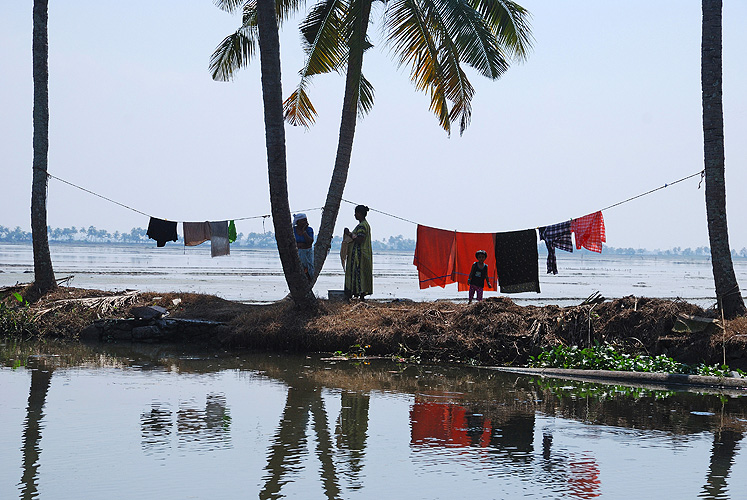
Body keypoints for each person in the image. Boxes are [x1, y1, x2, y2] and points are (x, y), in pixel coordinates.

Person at [343, 205, 373, 300]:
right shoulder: (364, 225)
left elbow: (360, 239)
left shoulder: (362, 226)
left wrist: (349, 233)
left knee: (358, 274)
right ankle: (359, 295)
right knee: (361, 274)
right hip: (362, 254)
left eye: (356, 213)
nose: (354, 215)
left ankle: (359, 294)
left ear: (359, 214)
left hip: (359, 255)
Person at [293, 213, 314, 280]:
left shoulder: (309, 230)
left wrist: (304, 231)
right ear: (298, 222)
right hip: (297, 253)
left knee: (308, 269)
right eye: (303, 220)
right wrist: (301, 245)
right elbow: (292, 243)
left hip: (307, 253)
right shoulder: (293, 230)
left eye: (306, 220)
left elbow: (310, 242)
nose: (305, 222)